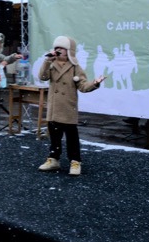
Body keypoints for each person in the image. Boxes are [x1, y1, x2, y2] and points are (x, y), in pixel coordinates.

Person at [37, 36, 105, 176]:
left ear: (69, 50)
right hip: (55, 107)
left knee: (72, 138)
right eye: (56, 48)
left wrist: (95, 83)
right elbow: (42, 77)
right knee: (55, 137)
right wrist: (46, 61)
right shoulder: (51, 63)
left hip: (68, 107)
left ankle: (75, 161)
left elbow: (83, 86)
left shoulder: (75, 67)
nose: (58, 50)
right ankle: (53, 159)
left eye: (61, 48)